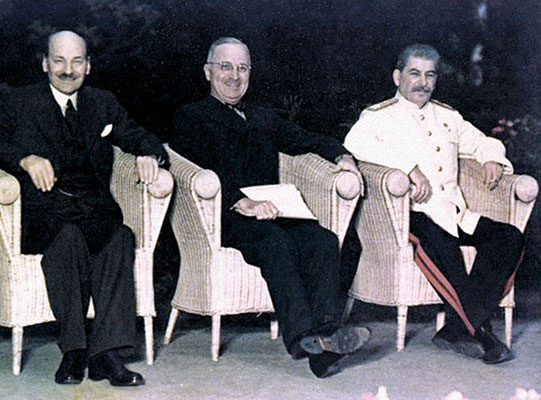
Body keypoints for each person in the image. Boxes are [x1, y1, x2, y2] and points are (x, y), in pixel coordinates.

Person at [168, 37, 370, 378]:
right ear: (208, 72)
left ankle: (326, 334)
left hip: (271, 211)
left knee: (321, 239)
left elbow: (305, 139)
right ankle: (302, 337)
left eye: (242, 68)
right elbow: (192, 169)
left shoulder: (262, 117)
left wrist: (342, 156)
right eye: (225, 67)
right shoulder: (191, 116)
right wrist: (240, 201)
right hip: (222, 216)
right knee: (274, 243)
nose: (234, 76)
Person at [0, 30, 168, 386]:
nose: (67, 69)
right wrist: (25, 159)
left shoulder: (103, 103)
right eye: (59, 60)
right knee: (69, 237)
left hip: (95, 210)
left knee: (120, 236)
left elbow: (140, 135)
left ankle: (107, 355)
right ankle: (74, 351)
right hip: (44, 215)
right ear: (45, 64)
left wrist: (149, 156)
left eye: (77, 61)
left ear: (88, 67)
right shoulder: (19, 102)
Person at [344, 44, 524, 364]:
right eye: (414, 73)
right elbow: (354, 144)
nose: (422, 82)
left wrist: (492, 158)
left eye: (429, 75)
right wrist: (408, 166)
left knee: (509, 237)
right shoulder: (378, 116)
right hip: (410, 215)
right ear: (398, 76)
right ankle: (481, 333)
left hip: (452, 212)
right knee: (445, 251)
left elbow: (482, 141)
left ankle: (455, 328)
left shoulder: (448, 116)